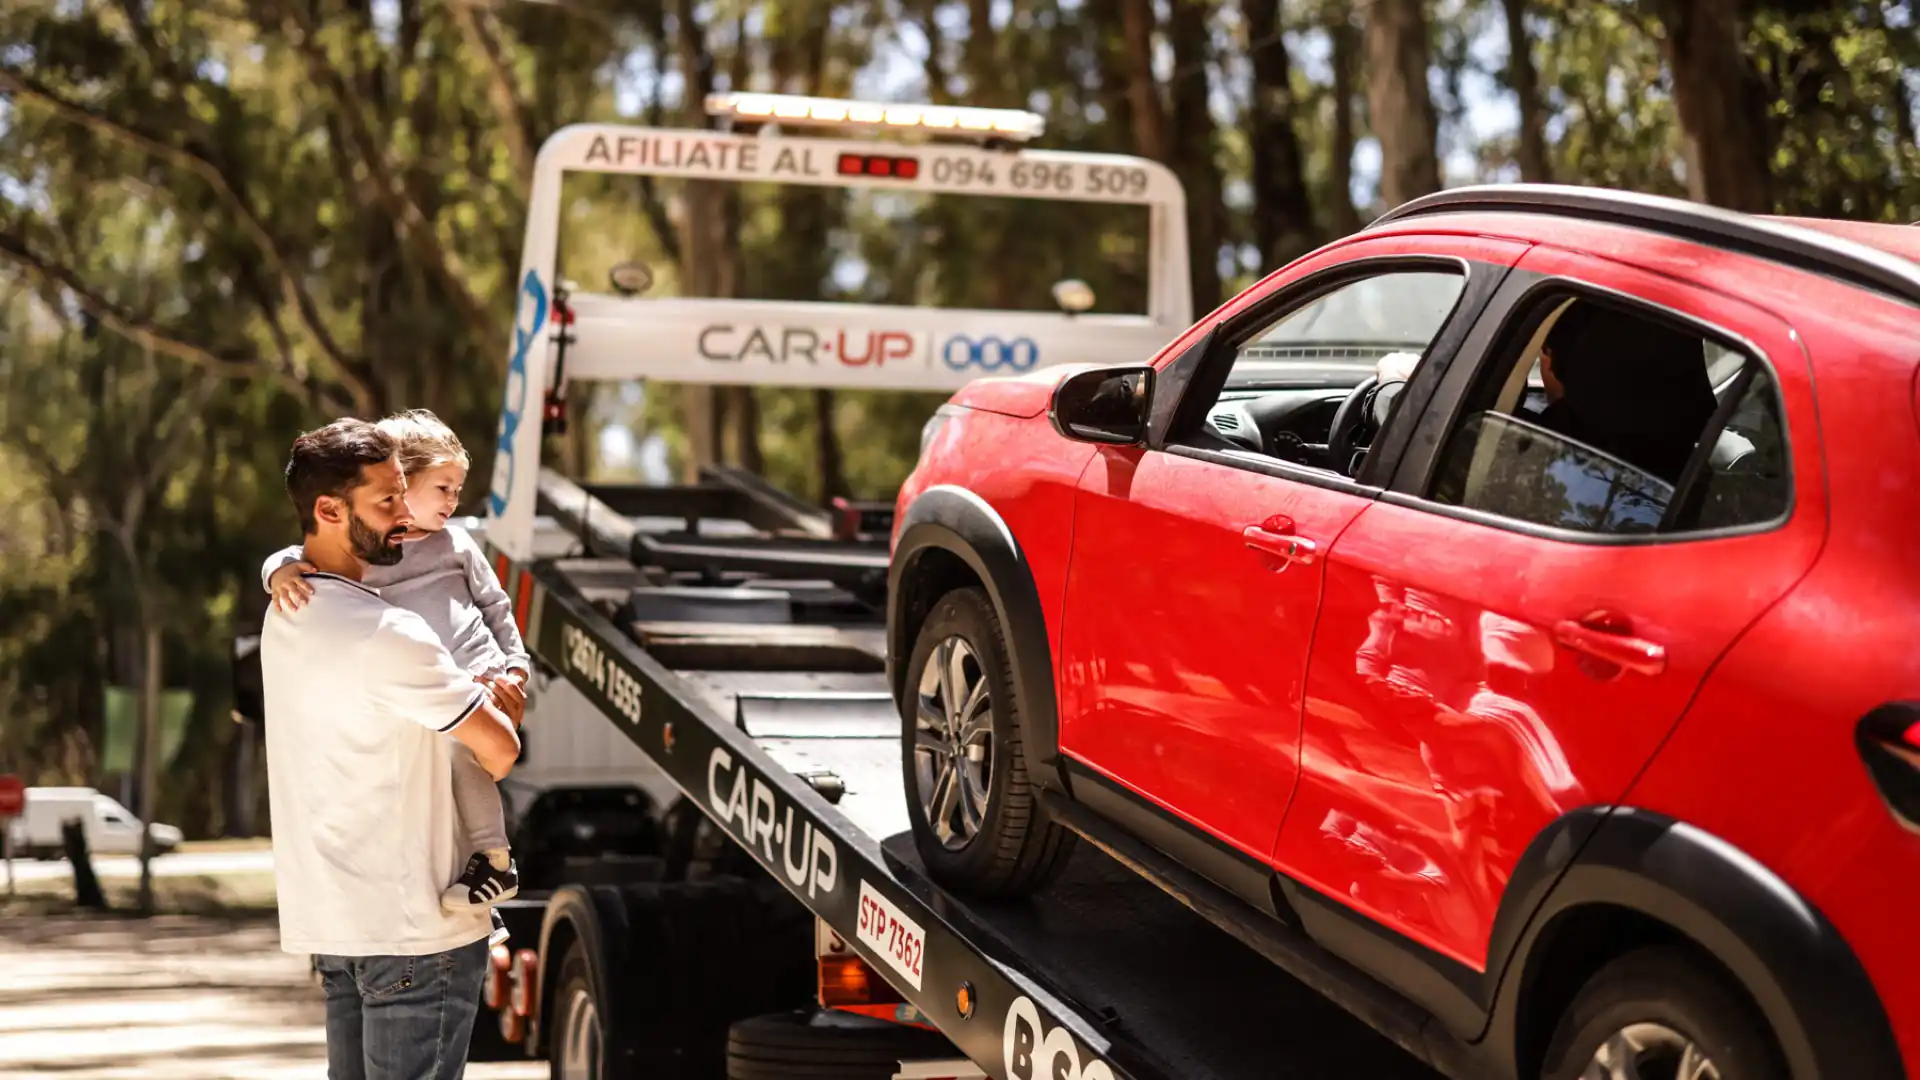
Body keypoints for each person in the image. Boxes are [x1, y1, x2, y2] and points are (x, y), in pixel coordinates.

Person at [262, 418, 523, 1080]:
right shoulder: (390, 632)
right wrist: (504, 709)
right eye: (386, 501)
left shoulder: (286, 615)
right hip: (414, 931)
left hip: (339, 925)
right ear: (328, 510)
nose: (403, 514)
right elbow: (498, 753)